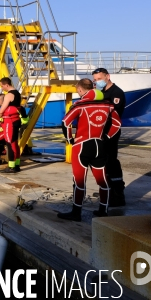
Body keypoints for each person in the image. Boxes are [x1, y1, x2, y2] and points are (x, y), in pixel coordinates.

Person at [57, 79, 121, 221]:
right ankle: (103, 211)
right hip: (100, 144)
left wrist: (70, 140)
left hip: (82, 146)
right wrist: (107, 136)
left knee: (79, 181)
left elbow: (65, 122)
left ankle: (76, 212)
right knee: (103, 180)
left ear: (80, 90)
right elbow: (117, 123)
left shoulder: (80, 105)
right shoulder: (107, 104)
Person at [92, 67, 127, 207]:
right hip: (101, 133)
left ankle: (117, 194)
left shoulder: (116, 93)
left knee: (111, 162)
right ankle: (107, 191)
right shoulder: (100, 92)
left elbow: (114, 117)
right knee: (103, 162)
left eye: (99, 79)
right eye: (95, 80)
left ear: (108, 76)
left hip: (110, 133)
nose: (97, 82)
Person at [0, 77, 22, 173]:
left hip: (9, 121)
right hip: (16, 120)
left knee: (9, 143)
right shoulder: (17, 94)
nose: (2, 88)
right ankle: (17, 164)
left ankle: (11, 166)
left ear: (6, 85)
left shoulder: (9, 95)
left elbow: (3, 108)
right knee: (15, 142)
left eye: (2, 86)